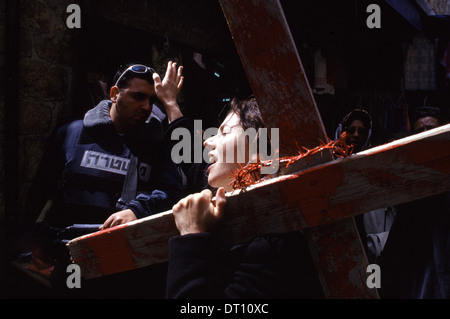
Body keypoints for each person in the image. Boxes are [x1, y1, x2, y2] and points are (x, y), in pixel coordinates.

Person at [19, 61, 185, 287]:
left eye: (151, 100)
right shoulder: (72, 133)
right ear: (115, 94)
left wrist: (137, 210)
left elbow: (173, 190)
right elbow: (41, 189)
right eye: (138, 97)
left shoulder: (157, 144)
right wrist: (32, 239)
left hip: (127, 265)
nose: (146, 107)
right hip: (69, 259)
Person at [165, 97, 324, 298]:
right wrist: (169, 102)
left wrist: (190, 237)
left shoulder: (272, 247)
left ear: (261, 153)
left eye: (224, 132)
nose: (207, 141)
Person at [379, 105, 450, 299]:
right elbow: (390, 256)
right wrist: (371, 285)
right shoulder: (409, 186)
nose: (426, 135)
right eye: (420, 131)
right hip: (420, 271)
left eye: (431, 129)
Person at [335, 109, 396, 264]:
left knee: (373, 281)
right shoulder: (330, 166)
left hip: (369, 236)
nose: (356, 135)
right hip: (342, 236)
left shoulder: (374, 166)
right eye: (350, 130)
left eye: (361, 132)